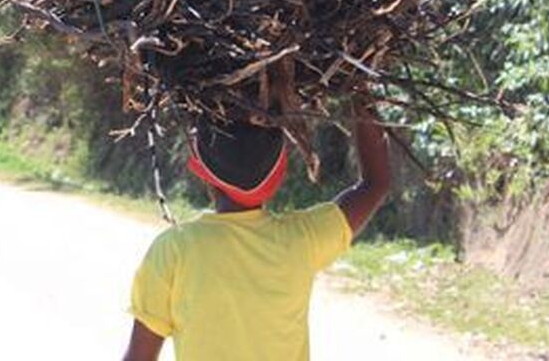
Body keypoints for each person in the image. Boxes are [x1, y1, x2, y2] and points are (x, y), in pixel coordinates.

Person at [123, 91, 391, 361]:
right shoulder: (301, 239)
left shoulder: (174, 249)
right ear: (276, 175)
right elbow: (375, 185)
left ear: (205, 174)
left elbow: (139, 357)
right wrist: (359, 90)